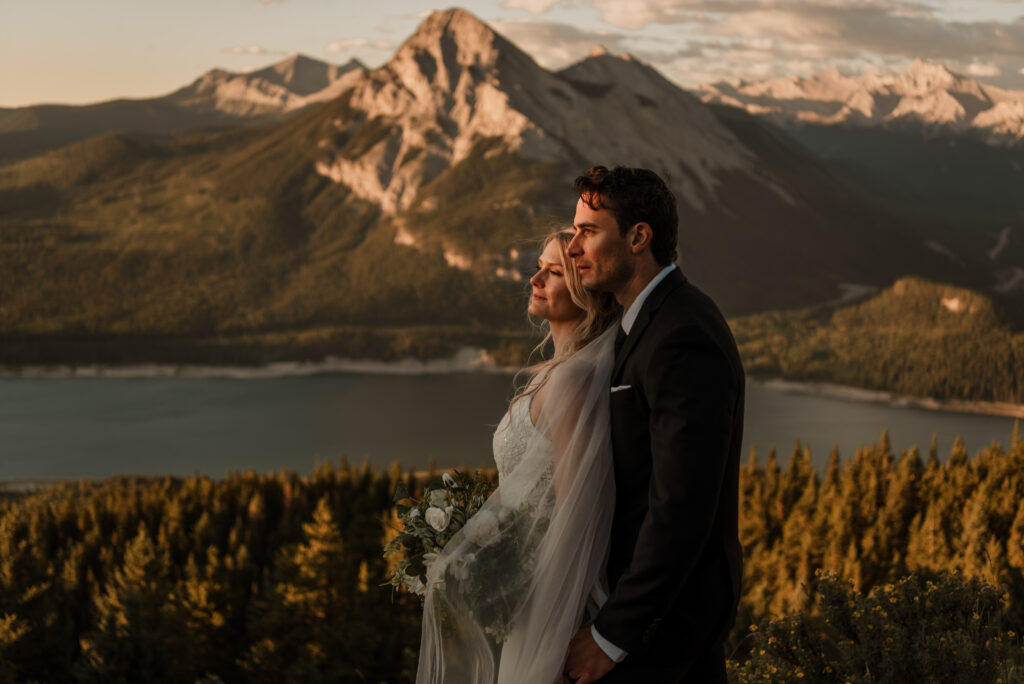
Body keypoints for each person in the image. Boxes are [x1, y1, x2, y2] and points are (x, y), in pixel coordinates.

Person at [561, 166, 745, 684]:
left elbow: (680, 507)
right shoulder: (644, 322)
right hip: (648, 618)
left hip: (664, 629)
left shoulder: (683, 334)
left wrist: (610, 635)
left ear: (639, 236)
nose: (573, 247)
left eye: (589, 231)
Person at [415, 231, 620, 684]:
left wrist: (548, 619)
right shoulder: (548, 373)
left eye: (554, 272)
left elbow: (577, 514)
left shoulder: (575, 382)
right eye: (538, 267)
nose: (535, 279)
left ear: (588, 288)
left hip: (553, 597)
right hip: (525, 595)